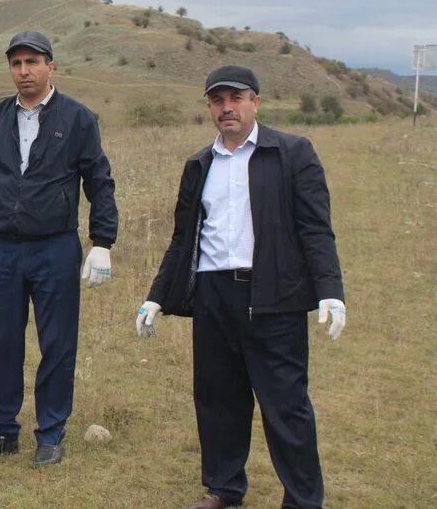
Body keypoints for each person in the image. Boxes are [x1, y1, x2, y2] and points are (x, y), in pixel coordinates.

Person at [136, 65, 346, 509]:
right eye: (217, 100)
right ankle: (224, 488)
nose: (227, 108)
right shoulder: (200, 164)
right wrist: (156, 295)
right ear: (210, 106)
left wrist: (330, 290)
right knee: (217, 399)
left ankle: (304, 500)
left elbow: (315, 230)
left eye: (236, 98)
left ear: (256, 102)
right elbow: (183, 238)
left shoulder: (291, 153)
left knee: (285, 405)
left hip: (273, 297)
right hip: (213, 296)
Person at [0, 30, 118, 467]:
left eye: (32, 62)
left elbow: (99, 181)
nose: (24, 71)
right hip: (4, 249)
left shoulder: (79, 118)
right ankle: (2, 430)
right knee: (2, 342)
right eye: (16, 63)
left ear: (52, 66)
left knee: (58, 343)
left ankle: (50, 432)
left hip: (55, 248)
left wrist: (102, 242)